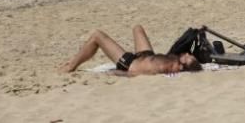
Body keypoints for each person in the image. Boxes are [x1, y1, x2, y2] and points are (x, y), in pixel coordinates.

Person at [61, 25, 202, 76]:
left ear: (181, 66)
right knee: (137, 28)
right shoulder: (174, 60)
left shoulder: (165, 67)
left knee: (97, 36)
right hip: (146, 55)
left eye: (188, 57)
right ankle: (72, 63)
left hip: (129, 63)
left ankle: (70, 66)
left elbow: (136, 73)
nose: (187, 54)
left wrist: (116, 73)